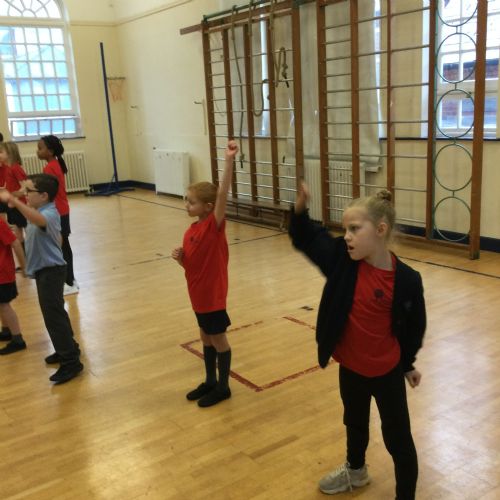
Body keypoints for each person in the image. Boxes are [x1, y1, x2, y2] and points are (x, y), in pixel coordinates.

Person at [289, 182, 426, 499]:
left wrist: (407, 364)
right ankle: (356, 470)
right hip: (351, 368)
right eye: (345, 229)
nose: (347, 236)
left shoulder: (407, 280)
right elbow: (308, 238)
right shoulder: (342, 260)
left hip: (386, 373)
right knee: (354, 422)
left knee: (398, 439)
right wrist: (300, 209)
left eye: (354, 229)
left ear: (380, 229)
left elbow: (413, 328)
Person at [171, 140, 238, 408]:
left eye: (192, 202)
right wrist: (181, 260)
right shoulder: (191, 231)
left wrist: (229, 160)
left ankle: (223, 387)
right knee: (205, 337)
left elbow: (222, 194)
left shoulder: (213, 226)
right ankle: (210, 380)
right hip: (197, 296)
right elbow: (192, 267)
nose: (186, 205)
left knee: (218, 339)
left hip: (212, 297)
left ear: (208, 206)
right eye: (186, 200)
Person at [0, 174, 83, 384]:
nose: (25, 195)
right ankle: (69, 348)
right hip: (45, 270)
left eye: (29, 191)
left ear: (44, 195)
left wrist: (14, 200)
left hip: (51, 272)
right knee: (56, 313)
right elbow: (56, 236)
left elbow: (40, 221)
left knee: (53, 317)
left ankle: (71, 362)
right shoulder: (38, 210)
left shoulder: (49, 213)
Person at [37, 135, 78, 295]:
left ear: (50, 151)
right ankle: (70, 280)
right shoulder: (54, 164)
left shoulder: (50, 168)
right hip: (61, 210)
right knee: (63, 246)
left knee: (62, 247)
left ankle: (70, 282)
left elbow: (48, 193)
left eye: (40, 148)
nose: (37, 151)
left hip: (58, 212)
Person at [0, 215, 26, 355]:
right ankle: (6, 331)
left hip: (3, 274)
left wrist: (24, 267)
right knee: (1, 304)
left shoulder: (0, 224)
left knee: (4, 305)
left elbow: (15, 243)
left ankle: (18, 339)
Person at [0, 142, 28, 258]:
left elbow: (25, 187)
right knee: (18, 233)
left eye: (1, 152)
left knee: (28, 232)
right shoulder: (8, 168)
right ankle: (24, 259)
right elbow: (11, 186)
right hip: (13, 206)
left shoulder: (16, 168)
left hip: (20, 206)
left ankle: (30, 257)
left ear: (9, 153)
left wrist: (13, 197)